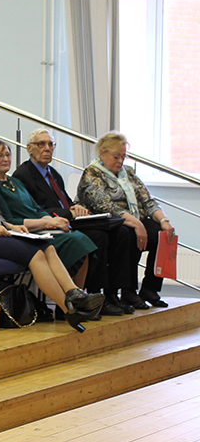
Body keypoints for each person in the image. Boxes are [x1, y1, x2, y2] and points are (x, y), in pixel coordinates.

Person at [0, 133, 105, 332]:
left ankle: (74, 294)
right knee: (34, 253)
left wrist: (11, 226)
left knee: (46, 245)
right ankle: (69, 310)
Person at [13, 128, 140, 315]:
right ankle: (94, 295)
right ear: (29, 148)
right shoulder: (23, 175)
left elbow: (64, 200)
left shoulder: (52, 173)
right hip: (50, 225)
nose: (47, 148)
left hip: (68, 219)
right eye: (41, 144)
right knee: (98, 237)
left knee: (121, 232)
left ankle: (112, 294)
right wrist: (70, 212)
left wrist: (77, 208)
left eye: (50, 144)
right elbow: (35, 210)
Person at [76, 131, 176, 309]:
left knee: (162, 233)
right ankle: (125, 290)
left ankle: (150, 288)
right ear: (103, 153)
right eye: (116, 156)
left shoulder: (128, 173)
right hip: (110, 221)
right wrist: (137, 224)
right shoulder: (92, 173)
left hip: (134, 218)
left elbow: (147, 200)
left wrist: (164, 220)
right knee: (128, 234)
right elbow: (104, 206)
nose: (120, 161)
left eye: (123, 156)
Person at [0, 139, 96, 290]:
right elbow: (9, 220)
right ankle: (72, 295)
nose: (6, 159)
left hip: (41, 227)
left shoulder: (15, 181)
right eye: (0, 155)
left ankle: (79, 293)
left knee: (81, 238)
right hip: (24, 232)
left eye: (8, 155)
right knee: (75, 242)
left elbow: (37, 208)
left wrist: (52, 220)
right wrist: (46, 223)